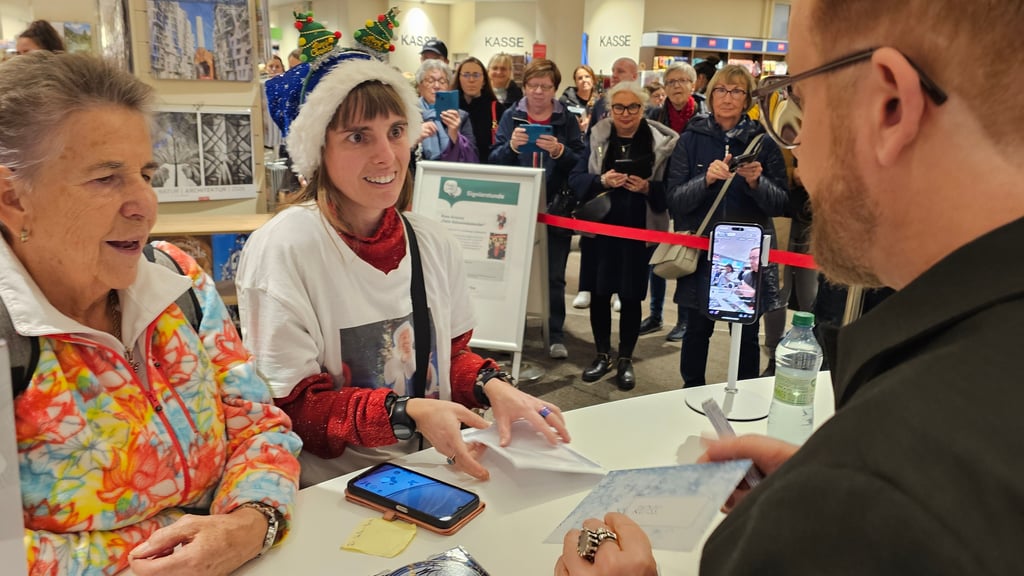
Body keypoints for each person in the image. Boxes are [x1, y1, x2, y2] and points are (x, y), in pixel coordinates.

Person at [557, 0, 1024, 573]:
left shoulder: (907, 459)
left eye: (797, 102)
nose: (798, 149)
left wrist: (836, 492)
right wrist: (818, 492)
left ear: (889, 106)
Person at [0, 51, 301, 575]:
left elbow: (260, 428)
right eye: (106, 178)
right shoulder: (13, 341)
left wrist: (249, 524)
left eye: (145, 172)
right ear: (11, 197)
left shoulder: (177, 281)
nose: (144, 202)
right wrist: (179, 546)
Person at [242, 39, 569, 488]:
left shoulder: (431, 241)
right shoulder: (286, 249)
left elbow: (446, 357)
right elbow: (291, 410)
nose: (386, 156)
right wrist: (406, 413)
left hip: (435, 474)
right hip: (337, 492)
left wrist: (491, 385)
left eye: (396, 131)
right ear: (318, 150)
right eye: (358, 137)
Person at [665, 64, 788, 387]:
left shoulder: (763, 142)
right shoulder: (690, 140)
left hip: (746, 255)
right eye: (721, 90)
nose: (728, 98)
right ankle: (690, 391)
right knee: (696, 330)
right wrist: (705, 180)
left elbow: (781, 204)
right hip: (702, 250)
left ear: (747, 98)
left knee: (745, 333)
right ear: (710, 94)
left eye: (736, 91)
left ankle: (745, 394)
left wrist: (756, 182)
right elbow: (675, 200)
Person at [568, 81, 678, 390]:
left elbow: (673, 190)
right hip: (600, 231)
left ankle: (626, 359)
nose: (625, 113)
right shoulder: (598, 136)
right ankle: (602, 354)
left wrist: (647, 188)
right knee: (600, 296)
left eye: (633, 107)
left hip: (637, 232)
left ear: (643, 109)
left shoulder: (661, 142)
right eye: (619, 107)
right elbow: (576, 178)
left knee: (631, 297)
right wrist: (601, 179)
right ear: (610, 109)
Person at [490, 58, 585, 360]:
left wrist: (560, 151)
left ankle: (554, 333)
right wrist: (512, 148)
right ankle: (509, 332)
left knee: (555, 274)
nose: (539, 92)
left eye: (546, 86)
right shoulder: (510, 116)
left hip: (555, 206)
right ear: (525, 86)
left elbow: (581, 165)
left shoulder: (566, 119)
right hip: (515, 208)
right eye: (533, 86)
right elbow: (493, 162)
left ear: (555, 89)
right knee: (512, 272)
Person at [642, 61, 705, 340]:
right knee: (657, 254)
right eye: (671, 82)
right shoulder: (655, 115)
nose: (677, 86)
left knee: (684, 257)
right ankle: (655, 314)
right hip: (658, 189)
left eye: (682, 81)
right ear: (664, 87)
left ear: (693, 85)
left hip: (690, 192)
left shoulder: (704, 117)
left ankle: (683, 320)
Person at [573, 57, 638, 312]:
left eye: (620, 71)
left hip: (630, 185)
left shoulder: (644, 105)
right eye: (612, 70)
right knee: (592, 243)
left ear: (633, 75)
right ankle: (585, 287)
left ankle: (619, 293)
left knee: (624, 248)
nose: (614, 75)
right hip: (600, 178)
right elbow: (590, 140)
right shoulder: (601, 102)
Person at [414, 59, 477, 163]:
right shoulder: (408, 114)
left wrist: (455, 135)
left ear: (448, 87)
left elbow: (473, 157)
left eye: (442, 82)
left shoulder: (460, 116)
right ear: (420, 86)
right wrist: (414, 138)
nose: (437, 86)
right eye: (430, 81)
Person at [453, 56, 504, 165]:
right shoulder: (451, 108)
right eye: (466, 75)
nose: (471, 80)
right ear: (459, 79)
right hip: (455, 169)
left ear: (484, 80)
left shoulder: (496, 109)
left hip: (487, 171)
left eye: (476, 75)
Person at [560, 64, 599, 134]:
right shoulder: (565, 101)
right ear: (576, 82)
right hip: (571, 142)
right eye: (580, 78)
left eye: (587, 77)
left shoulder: (600, 102)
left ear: (593, 79)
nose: (584, 80)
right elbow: (560, 127)